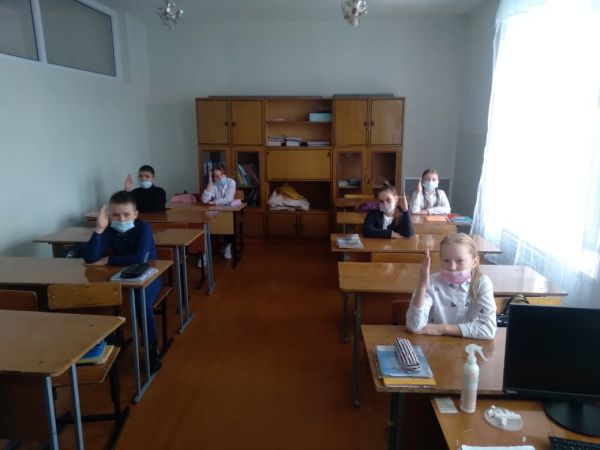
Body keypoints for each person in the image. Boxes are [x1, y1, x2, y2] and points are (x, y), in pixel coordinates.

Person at [83, 190, 162, 372]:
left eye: (126, 214)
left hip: (149, 276)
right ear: (110, 216)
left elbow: (139, 258)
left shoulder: (143, 227)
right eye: (116, 215)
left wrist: (108, 260)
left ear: (135, 214)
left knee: (141, 304)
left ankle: (151, 347)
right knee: (99, 297)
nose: (121, 219)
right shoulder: (110, 230)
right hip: (118, 277)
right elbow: (90, 258)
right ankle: (109, 340)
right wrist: (99, 229)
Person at [405, 233, 496, 339]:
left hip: (471, 345)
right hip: (436, 344)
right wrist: (422, 286)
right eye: (446, 260)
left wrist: (442, 329)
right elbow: (414, 326)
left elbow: (488, 330)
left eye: (460, 261)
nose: (452, 267)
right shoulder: (432, 282)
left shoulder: (482, 283)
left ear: (474, 262)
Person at [201, 164, 236, 259]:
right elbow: (204, 200)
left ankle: (228, 247)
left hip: (228, 211)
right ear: (213, 178)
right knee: (206, 225)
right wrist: (209, 183)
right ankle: (205, 252)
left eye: (221, 174)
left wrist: (214, 202)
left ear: (225, 174)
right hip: (215, 211)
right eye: (216, 176)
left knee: (229, 223)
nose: (220, 178)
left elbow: (228, 199)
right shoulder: (213, 185)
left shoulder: (231, 182)